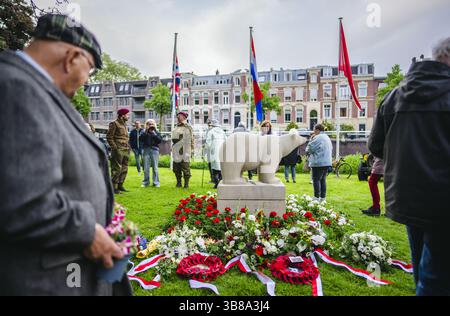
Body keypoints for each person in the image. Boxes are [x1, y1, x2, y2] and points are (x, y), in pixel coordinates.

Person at [0, 14, 130, 295]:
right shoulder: (17, 88)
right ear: (72, 58)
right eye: (90, 70)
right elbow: (19, 201)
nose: (86, 81)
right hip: (45, 280)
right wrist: (87, 229)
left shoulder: (37, 91)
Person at [368, 38, 450, 296]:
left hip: (407, 195)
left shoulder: (394, 96)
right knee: (437, 278)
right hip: (443, 199)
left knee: (423, 271)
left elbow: (375, 145)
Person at [306, 124, 333, 202]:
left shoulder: (318, 138)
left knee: (316, 179)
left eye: (314, 130)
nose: (313, 132)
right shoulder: (327, 137)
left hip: (318, 162)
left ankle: (316, 197)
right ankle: (323, 198)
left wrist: (311, 139)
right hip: (327, 162)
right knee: (323, 180)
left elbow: (309, 149)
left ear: (317, 130)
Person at [107, 108, 131, 194]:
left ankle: (120, 185)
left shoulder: (124, 124)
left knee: (125, 167)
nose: (128, 116)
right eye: (127, 115)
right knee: (116, 168)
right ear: (122, 115)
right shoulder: (114, 124)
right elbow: (109, 137)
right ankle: (113, 188)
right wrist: (115, 148)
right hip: (118, 149)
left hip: (126, 148)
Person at [172, 111, 194, 188]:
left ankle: (186, 184)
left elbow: (191, 139)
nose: (178, 117)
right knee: (176, 167)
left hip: (185, 150)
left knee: (185, 167)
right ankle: (178, 183)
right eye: (177, 116)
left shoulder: (188, 127)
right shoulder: (176, 126)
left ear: (184, 117)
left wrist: (191, 150)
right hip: (176, 150)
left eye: (179, 116)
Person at [205, 119, 226, 189]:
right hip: (222, 150)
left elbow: (208, 142)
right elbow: (226, 140)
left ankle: (216, 183)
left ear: (212, 125)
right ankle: (222, 181)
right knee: (221, 166)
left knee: (214, 167)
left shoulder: (210, 132)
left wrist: (206, 149)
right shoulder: (222, 132)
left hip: (214, 151)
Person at [141, 119, 162, 188]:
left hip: (154, 150)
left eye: (152, 124)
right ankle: (145, 182)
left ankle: (156, 182)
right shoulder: (144, 131)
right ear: (146, 125)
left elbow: (159, 141)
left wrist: (154, 134)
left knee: (155, 168)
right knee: (146, 168)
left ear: (154, 124)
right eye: (149, 124)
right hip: (146, 150)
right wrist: (147, 132)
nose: (151, 125)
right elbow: (140, 139)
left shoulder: (156, 131)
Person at [204, 119, 214, 184]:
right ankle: (212, 178)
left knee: (215, 164)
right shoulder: (207, 131)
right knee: (210, 164)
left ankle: (216, 178)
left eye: (210, 124)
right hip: (208, 150)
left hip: (214, 150)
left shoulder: (214, 131)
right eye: (208, 124)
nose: (209, 126)